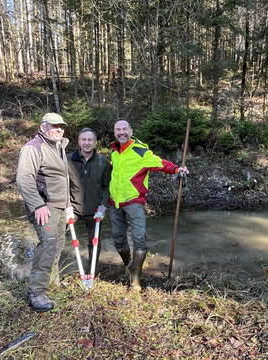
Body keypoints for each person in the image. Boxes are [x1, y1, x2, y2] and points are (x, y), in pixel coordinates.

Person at [109, 119, 189, 290]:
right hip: (114, 203)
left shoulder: (140, 151)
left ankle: (135, 280)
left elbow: (160, 163)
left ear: (130, 130)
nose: (121, 132)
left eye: (124, 129)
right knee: (118, 239)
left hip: (134, 202)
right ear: (114, 132)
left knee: (139, 239)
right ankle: (129, 266)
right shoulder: (115, 152)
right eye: (118, 129)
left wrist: (176, 169)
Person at [16, 112, 73, 312]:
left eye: (61, 126)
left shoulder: (59, 147)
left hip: (59, 206)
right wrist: (38, 205)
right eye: (54, 126)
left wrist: (68, 205)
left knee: (58, 245)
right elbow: (24, 179)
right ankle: (36, 293)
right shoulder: (33, 147)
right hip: (44, 206)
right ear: (43, 126)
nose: (59, 129)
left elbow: (61, 180)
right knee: (48, 245)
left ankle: (52, 283)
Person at [68, 127, 111, 270]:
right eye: (83, 139)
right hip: (73, 208)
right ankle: (55, 272)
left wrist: (103, 207)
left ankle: (92, 270)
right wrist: (66, 206)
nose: (87, 142)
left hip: (95, 210)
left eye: (90, 140)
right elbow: (62, 186)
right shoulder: (67, 160)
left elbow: (106, 188)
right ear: (79, 142)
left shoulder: (103, 162)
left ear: (95, 142)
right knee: (56, 236)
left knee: (95, 242)